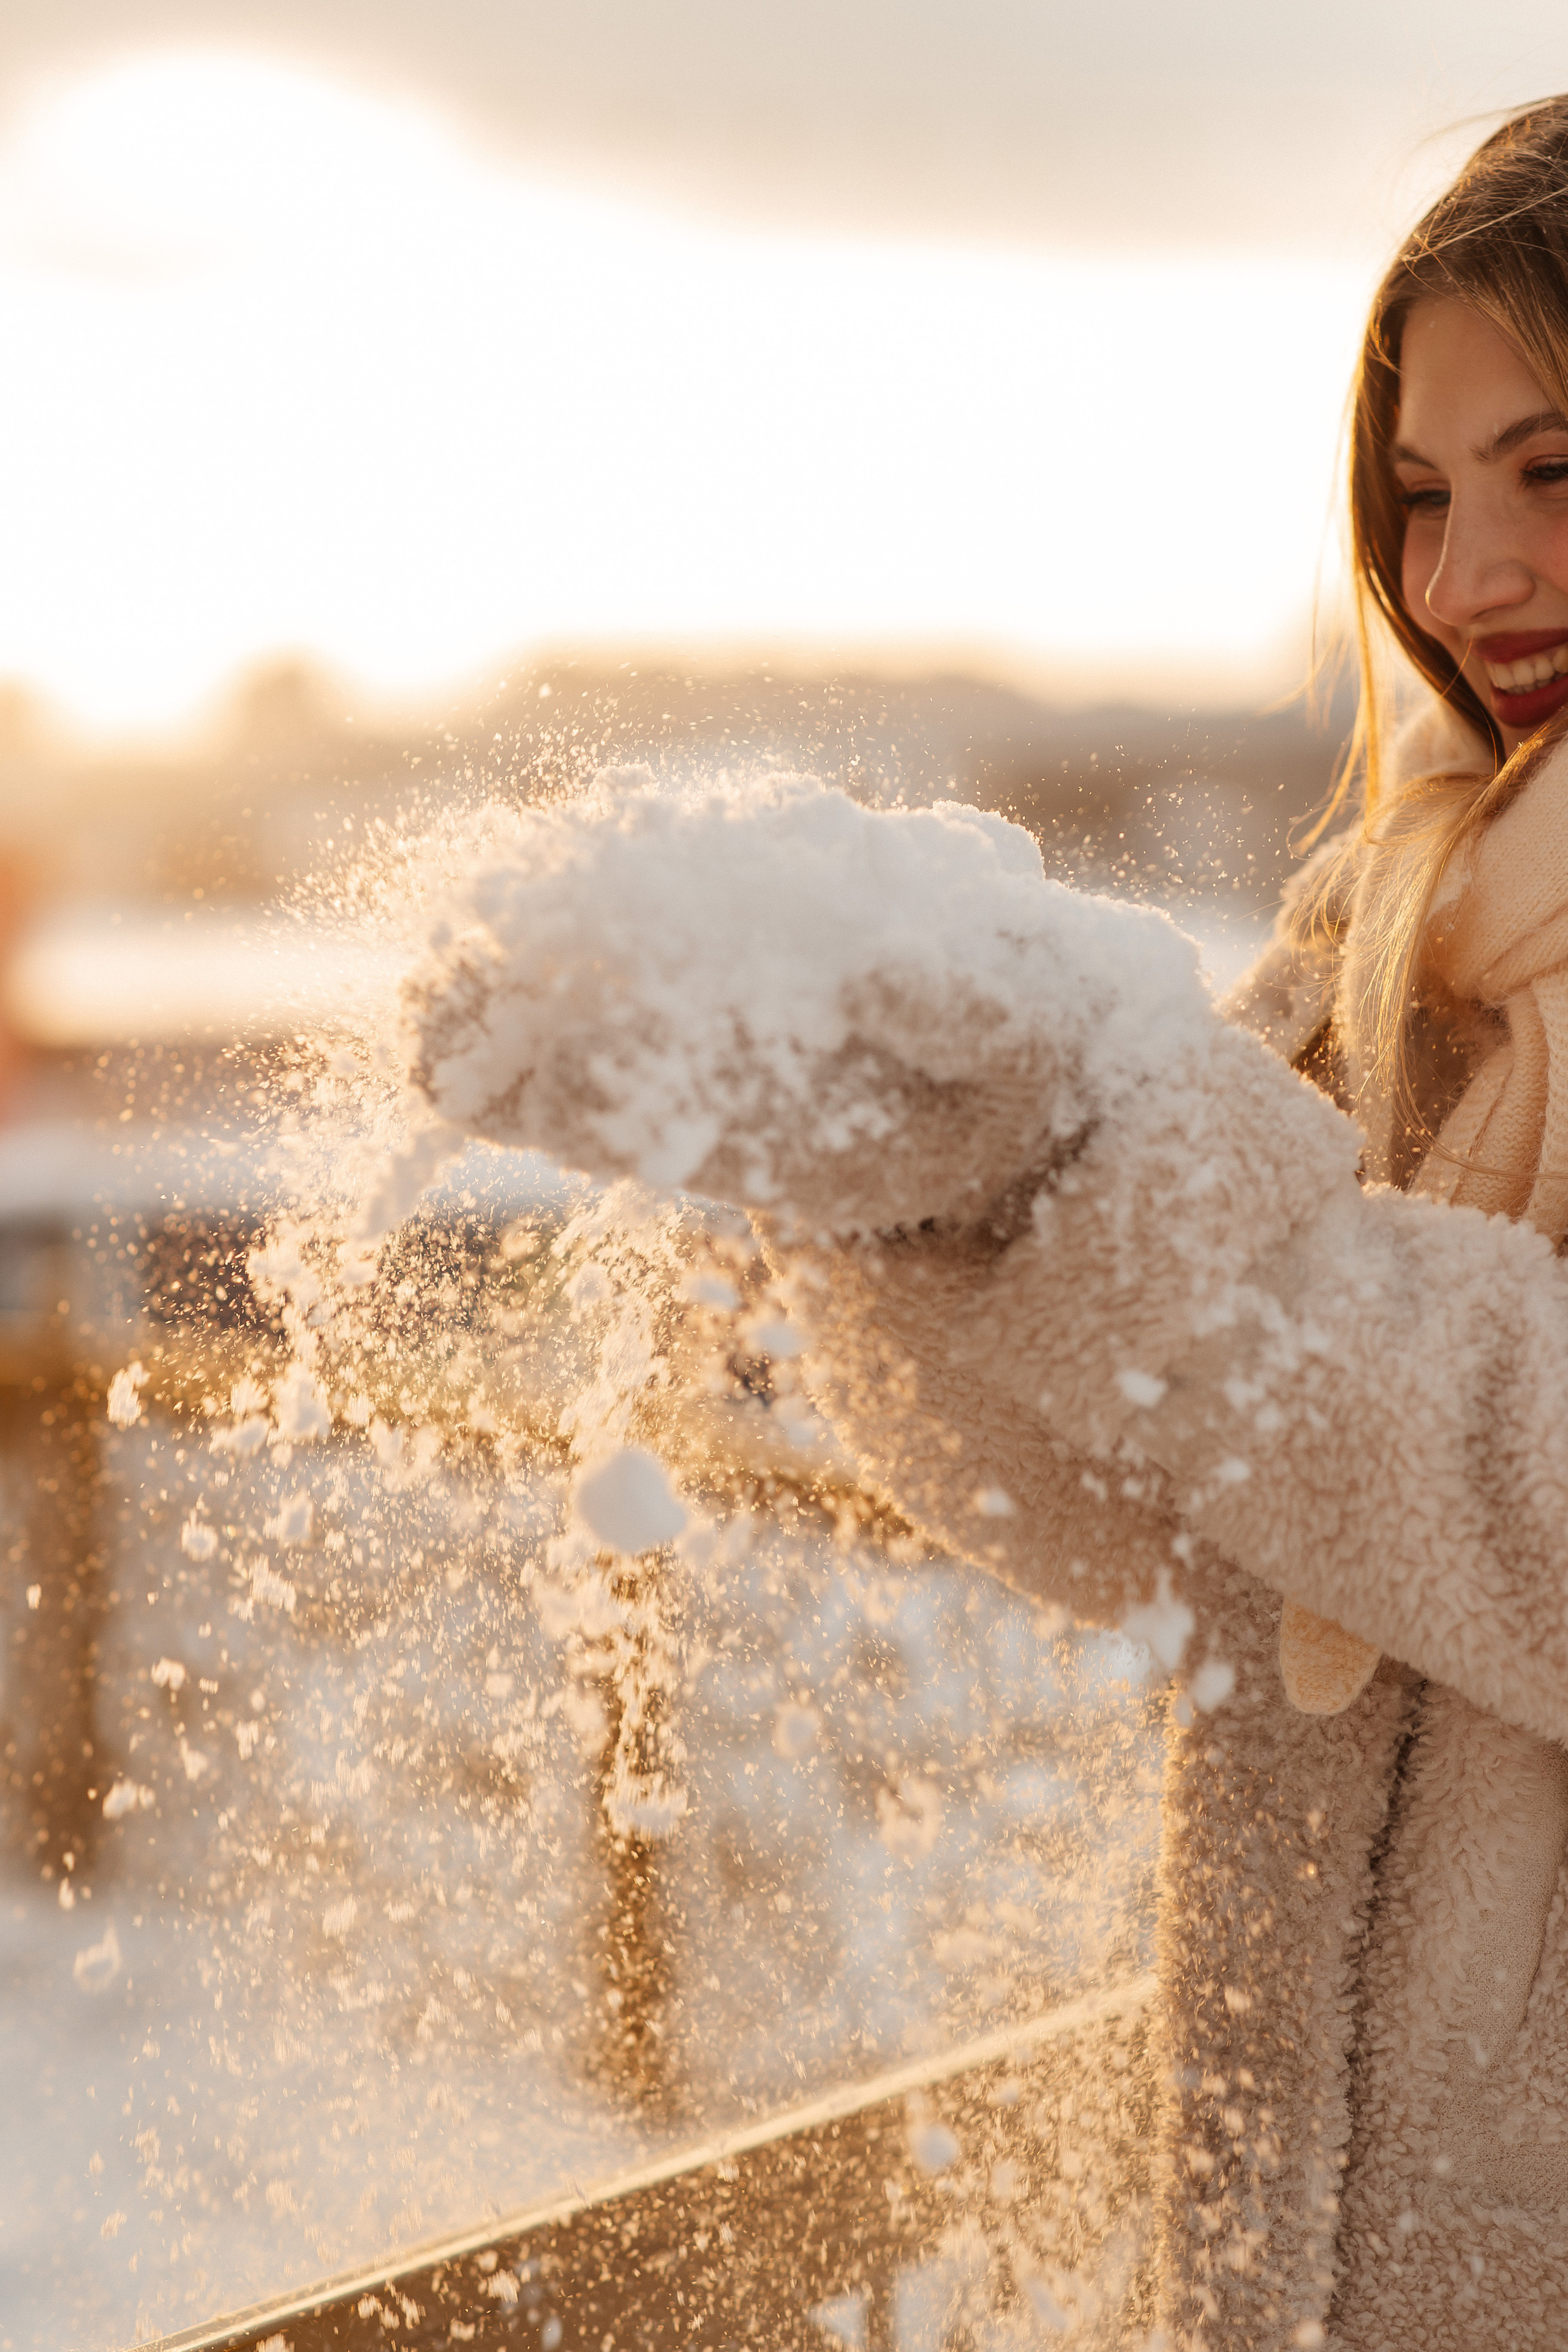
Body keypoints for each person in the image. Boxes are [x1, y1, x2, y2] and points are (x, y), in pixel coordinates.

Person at [404, 97, 1568, 2351]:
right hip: (1316, 2210)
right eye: (1418, 500)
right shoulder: (1398, 930)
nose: (1459, 583)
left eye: (1557, 472)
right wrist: (905, 1181)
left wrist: (1100, 1133)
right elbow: (1172, 1510)